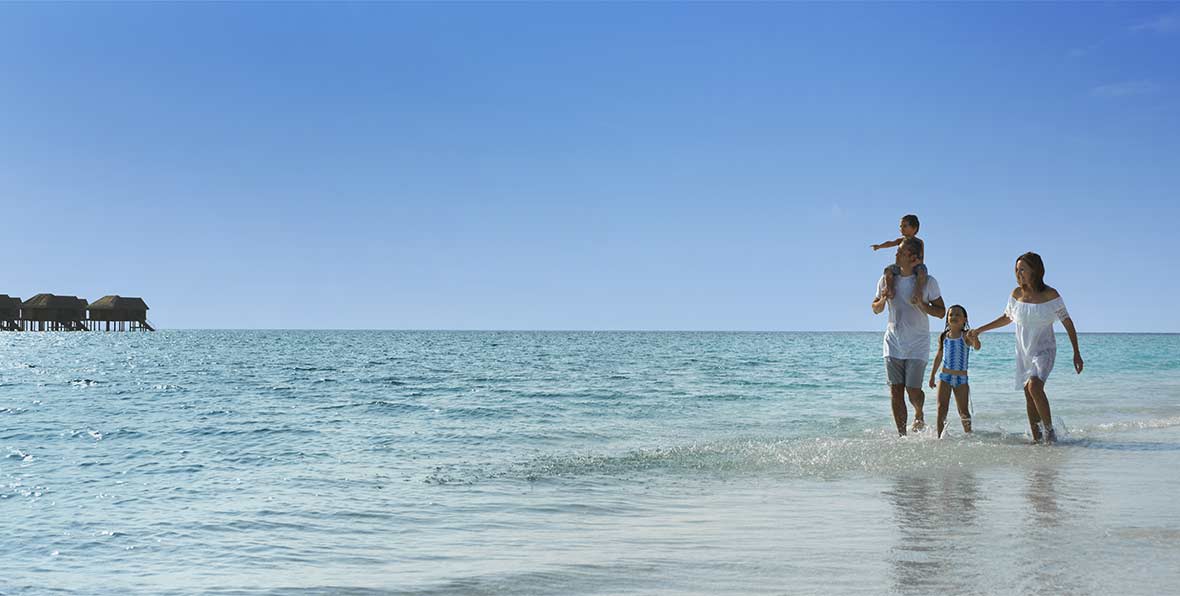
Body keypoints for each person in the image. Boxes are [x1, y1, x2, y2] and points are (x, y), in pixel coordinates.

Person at [968, 252, 1083, 444]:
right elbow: (1006, 317)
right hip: (1023, 351)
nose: (1018, 273)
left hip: (1045, 349)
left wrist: (1076, 353)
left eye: (1023, 269)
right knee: (1029, 395)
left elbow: (1068, 322)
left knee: (1034, 386)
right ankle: (1037, 440)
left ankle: (1049, 433)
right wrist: (980, 330)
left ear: (1035, 271)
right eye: (1016, 270)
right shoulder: (1016, 294)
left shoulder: (1050, 295)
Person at [871, 237, 946, 436]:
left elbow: (941, 312)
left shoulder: (928, 282)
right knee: (896, 391)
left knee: (913, 391)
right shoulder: (887, 279)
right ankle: (902, 437)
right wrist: (883, 299)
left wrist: (922, 304)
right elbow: (875, 308)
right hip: (892, 342)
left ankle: (919, 412)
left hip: (917, 344)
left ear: (912, 257)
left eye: (900, 253)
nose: (895, 255)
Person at [928, 305, 981, 438]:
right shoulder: (944, 336)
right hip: (944, 377)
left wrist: (975, 338)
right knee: (941, 409)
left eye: (958, 315)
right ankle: (940, 438)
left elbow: (977, 347)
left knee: (963, 411)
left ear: (964, 319)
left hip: (961, 380)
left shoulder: (966, 336)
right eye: (951, 315)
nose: (954, 317)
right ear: (947, 319)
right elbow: (939, 356)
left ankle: (969, 435)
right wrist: (932, 375)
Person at [871, 214, 928, 303]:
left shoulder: (919, 242)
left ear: (914, 228)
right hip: (900, 267)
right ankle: (889, 289)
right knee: (888, 270)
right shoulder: (901, 241)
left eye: (905, 226)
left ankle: (917, 292)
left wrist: (914, 264)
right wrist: (879, 246)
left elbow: (921, 258)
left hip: (916, 266)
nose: (901, 228)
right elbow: (890, 243)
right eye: (901, 226)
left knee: (922, 272)